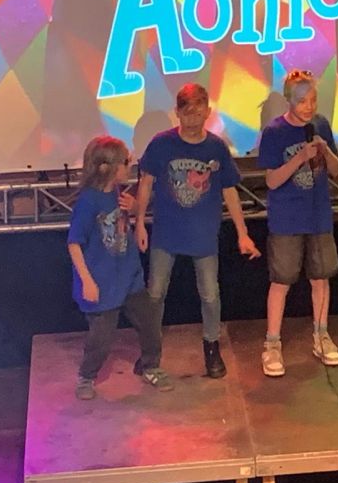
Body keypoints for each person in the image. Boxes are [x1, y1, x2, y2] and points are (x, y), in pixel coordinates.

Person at [135, 83, 260, 380]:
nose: (192, 119)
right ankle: (150, 351)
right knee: (155, 293)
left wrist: (242, 232)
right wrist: (139, 222)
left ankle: (211, 348)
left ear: (208, 112)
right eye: (187, 113)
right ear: (177, 113)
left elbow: (229, 190)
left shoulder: (216, 147)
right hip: (166, 232)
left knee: (210, 294)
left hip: (203, 234)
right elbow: (146, 183)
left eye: (198, 112)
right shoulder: (161, 144)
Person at [69, 136, 172, 400]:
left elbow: (125, 222)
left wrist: (136, 209)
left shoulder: (118, 194)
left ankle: (150, 366)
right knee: (101, 339)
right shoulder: (88, 202)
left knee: (149, 322)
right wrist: (87, 281)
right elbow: (74, 244)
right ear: (109, 168)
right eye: (126, 162)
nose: (130, 165)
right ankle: (86, 376)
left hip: (129, 278)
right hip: (102, 283)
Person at [258, 69, 338, 377]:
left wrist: (324, 150)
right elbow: (271, 180)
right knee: (281, 281)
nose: (308, 107)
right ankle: (272, 345)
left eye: (313, 100)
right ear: (289, 100)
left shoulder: (320, 125)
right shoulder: (274, 132)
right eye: (302, 101)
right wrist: (299, 158)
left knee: (321, 278)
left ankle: (321, 335)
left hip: (318, 216)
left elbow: (336, 169)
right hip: (287, 219)